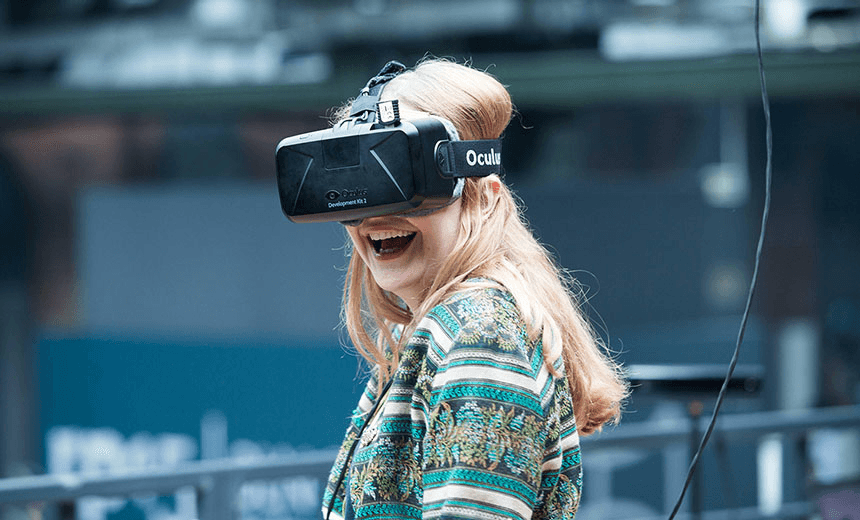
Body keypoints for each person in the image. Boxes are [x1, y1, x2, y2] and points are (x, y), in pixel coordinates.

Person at [320, 58, 628, 520]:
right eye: (361, 185)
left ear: (484, 197)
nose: (375, 218)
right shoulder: (447, 328)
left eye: (408, 181)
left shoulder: (480, 338)